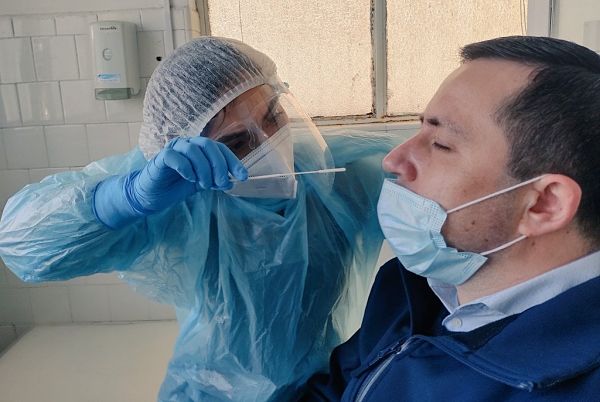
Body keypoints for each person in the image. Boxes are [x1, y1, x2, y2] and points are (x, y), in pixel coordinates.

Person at [0, 37, 400, 401]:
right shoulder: (180, 201)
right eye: (237, 142)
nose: (270, 143)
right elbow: (23, 247)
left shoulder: (336, 178)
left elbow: (423, 191)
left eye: (273, 115)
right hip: (208, 393)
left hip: (321, 387)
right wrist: (124, 198)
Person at [302, 35, 600, 400]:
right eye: (420, 129)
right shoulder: (413, 288)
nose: (392, 160)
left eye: (441, 144)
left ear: (544, 204)